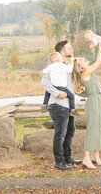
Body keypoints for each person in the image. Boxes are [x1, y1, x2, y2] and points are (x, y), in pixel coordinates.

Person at [40, 40, 82, 170]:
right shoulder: (53, 64)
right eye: (69, 48)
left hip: (67, 105)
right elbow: (44, 81)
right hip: (58, 104)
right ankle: (59, 162)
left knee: (70, 131)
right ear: (63, 51)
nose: (72, 50)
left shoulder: (66, 64)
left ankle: (67, 158)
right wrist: (57, 93)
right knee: (60, 134)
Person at [72, 42, 101, 169]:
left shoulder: (88, 72)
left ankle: (96, 155)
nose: (84, 59)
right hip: (92, 102)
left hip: (97, 100)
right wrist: (100, 45)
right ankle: (86, 158)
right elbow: (100, 60)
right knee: (92, 128)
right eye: (81, 60)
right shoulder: (85, 74)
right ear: (80, 67)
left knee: (99, 127)